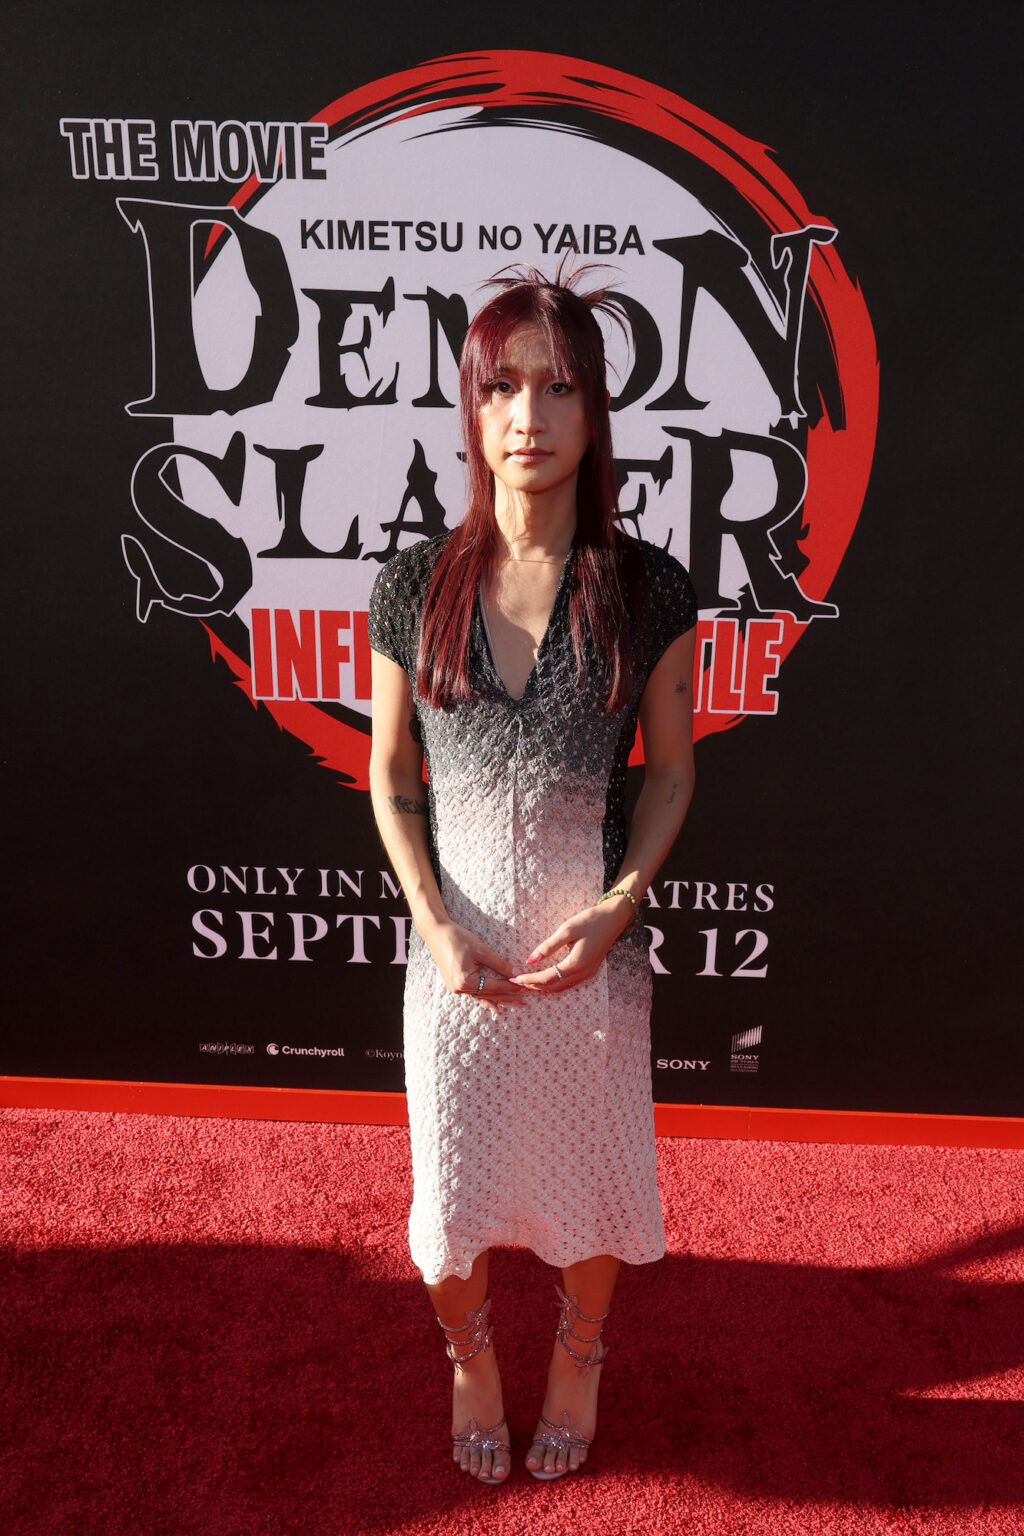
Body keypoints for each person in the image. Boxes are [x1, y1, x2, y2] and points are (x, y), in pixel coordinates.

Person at [367, 264, 697, 1484]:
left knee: (591, 1179)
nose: (528, 416)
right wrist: (435, 926)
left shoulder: (648, 588)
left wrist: (617, 912)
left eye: (558, 388)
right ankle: (468, 1354)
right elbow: (391, 772)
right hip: (454, 962)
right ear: (471, 407)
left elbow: (667, 776)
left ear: (595, 412)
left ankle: (583, 1348)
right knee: (449, 1189)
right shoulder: (414, 585)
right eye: (502, 386)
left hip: (587, 966)